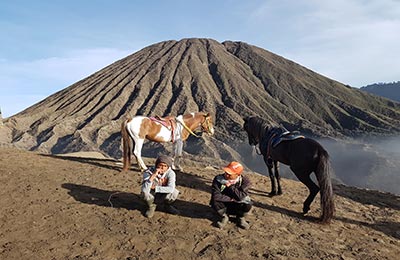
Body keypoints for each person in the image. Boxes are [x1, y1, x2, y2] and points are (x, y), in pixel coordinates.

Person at [210, 161, 252, 229]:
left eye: (229, 174)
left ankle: (240, 218)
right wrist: (232, 199)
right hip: (224, 204)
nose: (226, 175)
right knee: (215, 201)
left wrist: (230, 186)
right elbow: (216, 195)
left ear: (237, 175)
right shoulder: (218, 179)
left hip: (237, 205)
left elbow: (241, 196)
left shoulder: (245, 182)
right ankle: (224, 217)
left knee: (247, 203)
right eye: (226, 172)